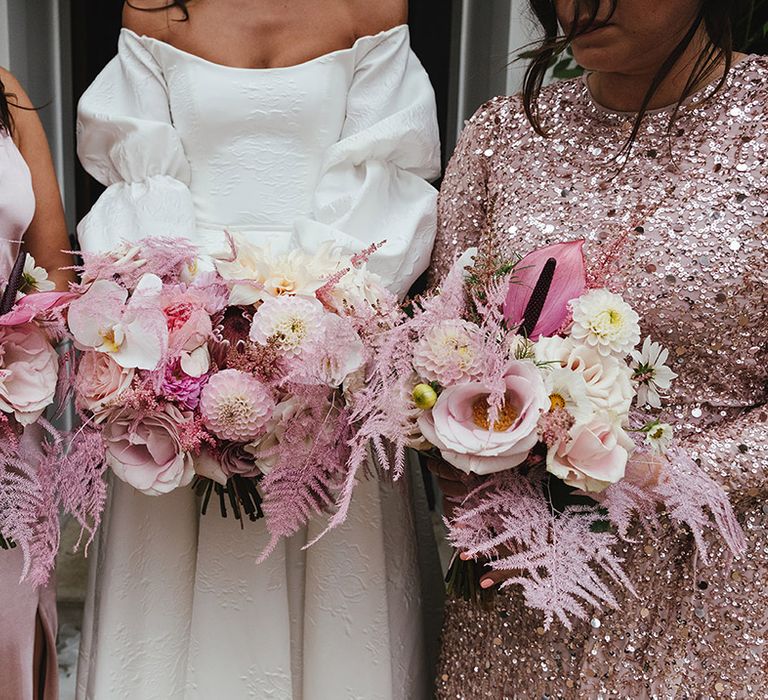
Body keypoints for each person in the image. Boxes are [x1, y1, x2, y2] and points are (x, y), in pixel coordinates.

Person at [74, 1, 442, 698]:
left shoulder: (373, 6)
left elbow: (381, 175)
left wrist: (310, 327)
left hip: (329, 347)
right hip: (180, 342)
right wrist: (183, 330)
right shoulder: (154, 8)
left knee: (332, 566)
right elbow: (141, 180)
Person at [429, 0, 767, 696]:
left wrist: (646, 474)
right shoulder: (504, 135)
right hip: (523, 595)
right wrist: (459, 451)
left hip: (714, 585)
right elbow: (444, 349)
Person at [0, 68, 75, 700]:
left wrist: (27, 335)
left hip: (5, 404)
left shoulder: (5, 93)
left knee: (8, 624)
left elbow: (54, 265)